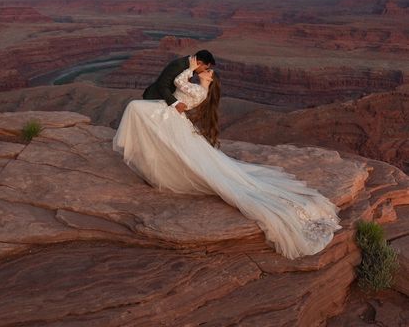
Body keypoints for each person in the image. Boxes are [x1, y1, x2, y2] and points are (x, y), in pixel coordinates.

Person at [113, 55, 341, 259]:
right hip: (171, 115)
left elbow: (179, 83)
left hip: (171, 116)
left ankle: (132, 146)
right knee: (154, 128)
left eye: (208, 73)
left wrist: (190, 68)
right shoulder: (199, 88)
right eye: (207, 69)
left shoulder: (200, 90)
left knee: (135, 108)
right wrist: (192, 69)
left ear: (209, 80)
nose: (205, 72)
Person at [142, 49, 216, 114]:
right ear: (199, 63)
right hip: (155, 98)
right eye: (205, 68)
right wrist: (175, 103)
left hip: (167, 104)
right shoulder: (180, 65)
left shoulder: (192, 68)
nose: (204, 71)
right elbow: (162, 84)